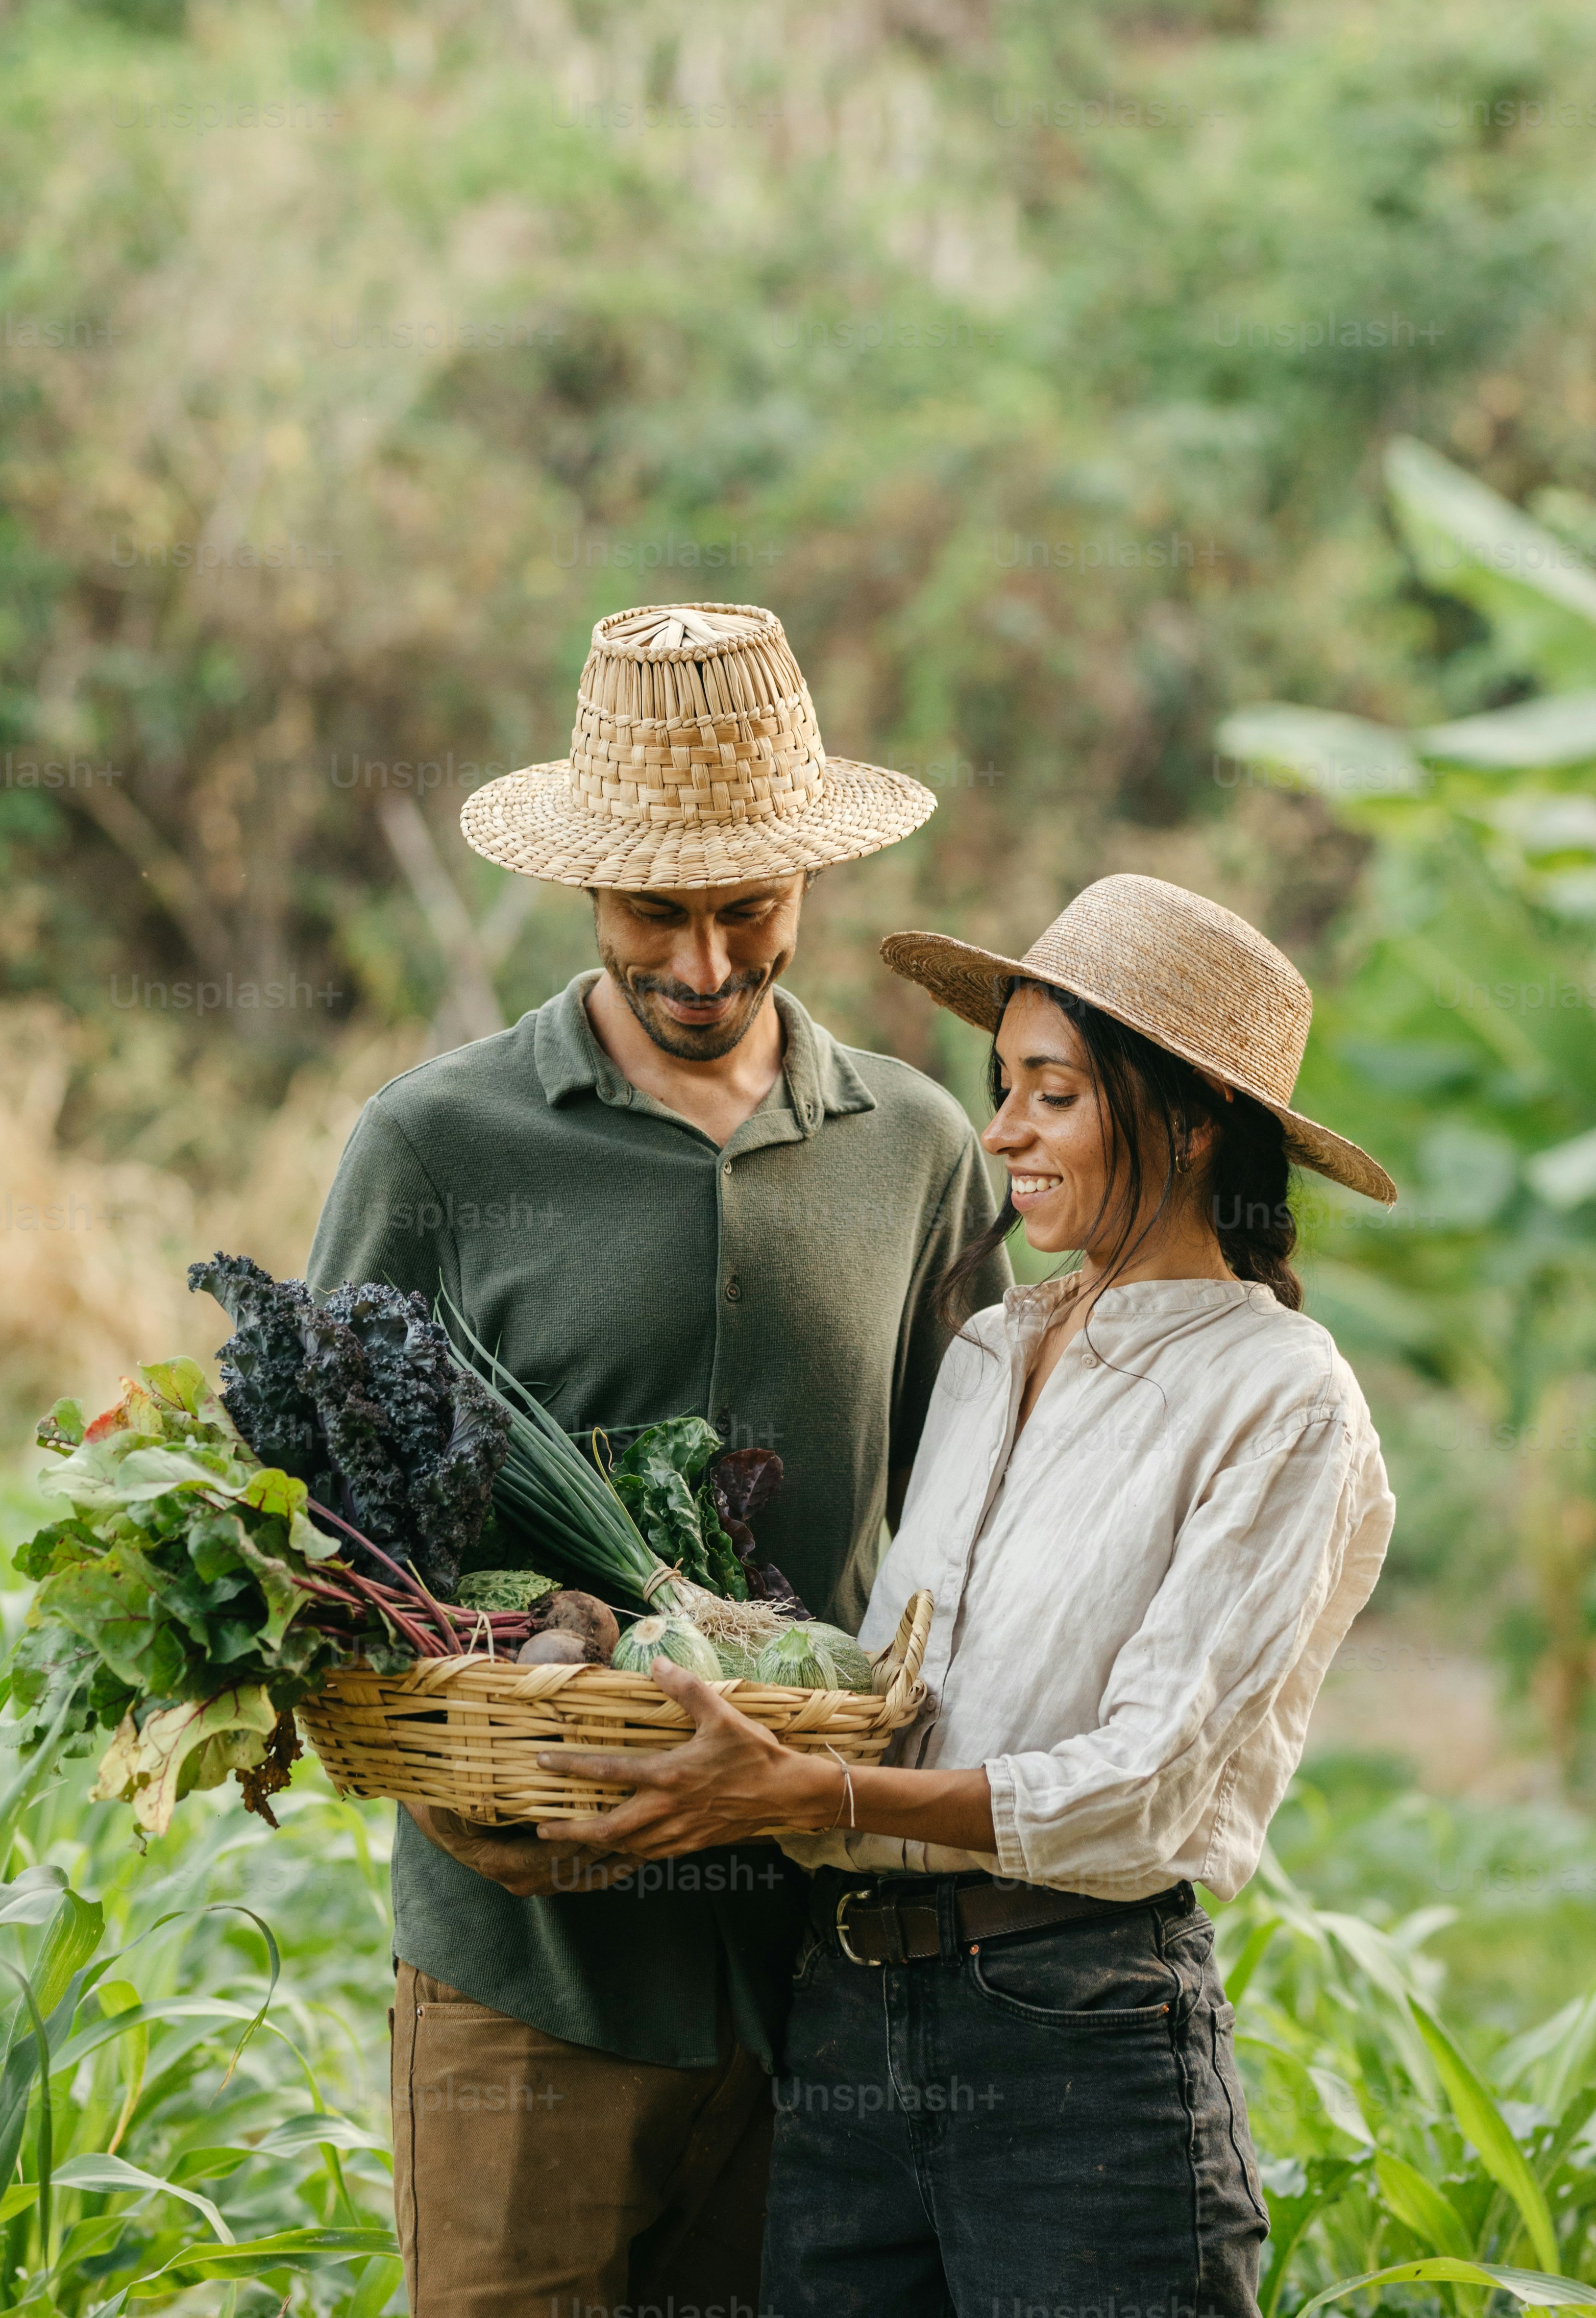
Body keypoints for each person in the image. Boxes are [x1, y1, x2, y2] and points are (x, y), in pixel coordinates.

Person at [537, 870, 1399, 2318]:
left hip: (1078, 2037)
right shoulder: (996, 1348)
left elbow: (1137, 1791)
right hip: (854, 2021)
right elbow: (905, 1687)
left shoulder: (1280, 1402)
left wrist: (816, 1797)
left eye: (1051, 1095)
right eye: (1002, 1087)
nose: (1000, 1132)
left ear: (1186, 1124)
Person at [304, 601, 1011, 2318]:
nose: (703, 968)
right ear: (585, 893)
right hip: (528, 1976)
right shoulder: (434, 1145)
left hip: (823, 1976)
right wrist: (477, 1814)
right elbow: (318, 1527)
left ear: (808, 886)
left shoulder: (915, 1150)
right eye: (656, 916)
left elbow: (987, 1529)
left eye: (747, 911)